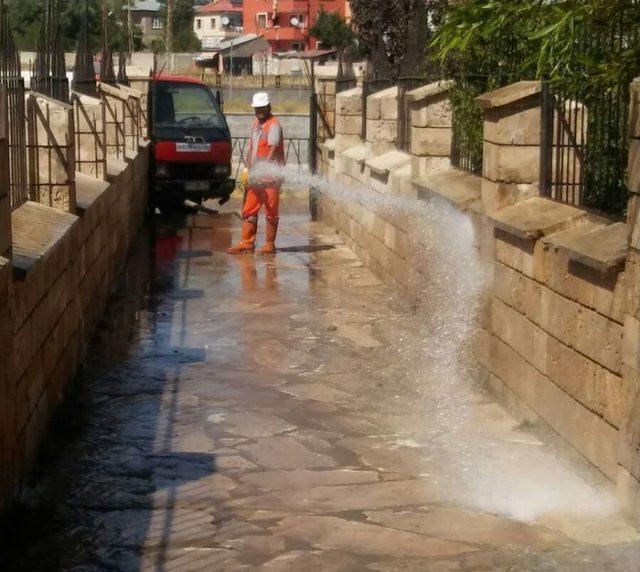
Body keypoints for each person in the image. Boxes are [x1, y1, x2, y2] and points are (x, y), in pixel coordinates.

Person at [227, 92, 285, 255]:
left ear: (268, 107)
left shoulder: (273, 125)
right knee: (249, 208)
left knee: (271, 209)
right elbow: (252, 148)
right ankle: (246, 243)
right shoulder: (256, 125)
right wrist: (247, 169)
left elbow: (273, 149)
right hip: (255, 176)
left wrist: (264, 168)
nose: (259, 111)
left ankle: (269, 244)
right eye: (257, 108)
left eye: (261, 108)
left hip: (271, 177)